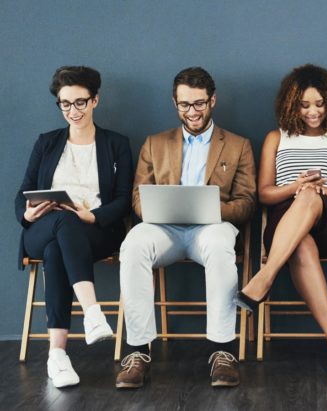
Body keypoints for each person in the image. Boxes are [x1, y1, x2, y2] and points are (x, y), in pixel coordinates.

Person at [116, 67, 256, 389]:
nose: (191, 112)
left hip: (211, 229)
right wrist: (156, 208)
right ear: (174, 103)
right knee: (133, 243)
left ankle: (223, 352)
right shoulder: (154, 144)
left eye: (198, 104)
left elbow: (247, 203)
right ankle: (138, 353)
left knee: (222, 246)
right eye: (184, 105)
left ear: (213, 101)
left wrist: (209, 208)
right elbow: (137, 196)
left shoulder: (238, 145)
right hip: (163, 229)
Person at [236, 64, 327, 384]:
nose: (313, 111)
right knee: (301, 241)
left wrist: (315, 190)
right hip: (286, 225)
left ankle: (264, 276)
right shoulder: (276, 138)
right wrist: (295, 187)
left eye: (320, 104)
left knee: (310, 197)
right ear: (292, 105)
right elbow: (264, 193)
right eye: (305, 105)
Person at [14, 66, 133, 388]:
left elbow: (124, 199)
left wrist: (93, 215)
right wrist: (28, 215)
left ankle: (58, 355)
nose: (73, 111)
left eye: (80, 102)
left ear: (95, 100)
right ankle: (92, 314)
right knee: (61, 223)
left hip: (95, 229)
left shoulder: (116, 144)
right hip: (43, 226)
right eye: (65, 104)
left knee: (57, 250)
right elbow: (21, 194)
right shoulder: (46, 143)